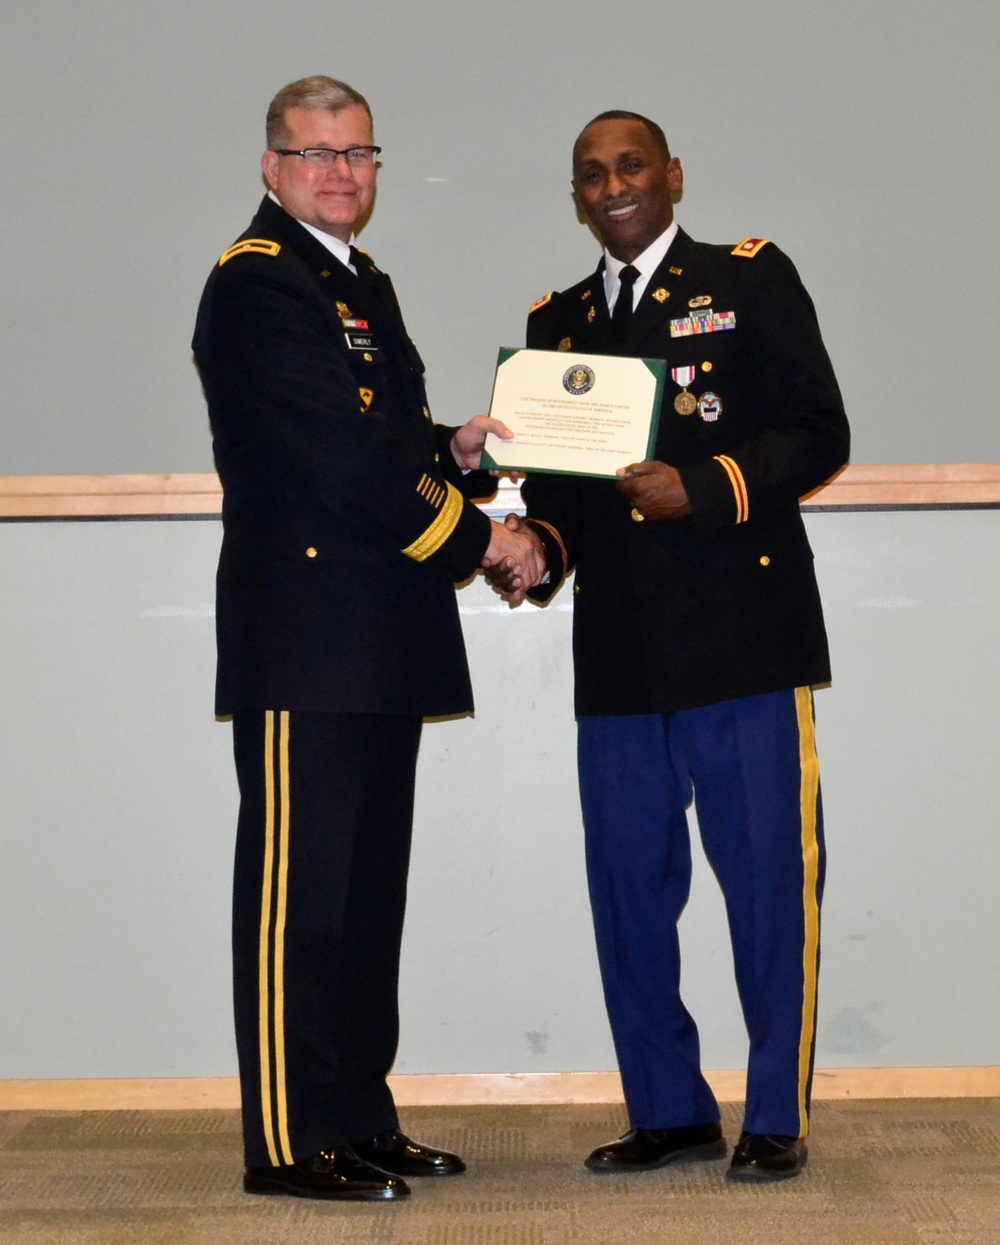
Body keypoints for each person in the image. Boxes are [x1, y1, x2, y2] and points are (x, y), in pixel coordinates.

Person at [192, 75, 536, 1202]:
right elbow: (332, 465)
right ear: (272, 169)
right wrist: (477, 538)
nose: (341, 172)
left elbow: (380, 438)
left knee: (363, 896)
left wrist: (457, 449)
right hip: (309, 639)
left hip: (375, 633)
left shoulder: (353, 281)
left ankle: (357, 1116)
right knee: (302, 899)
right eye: (316, 153)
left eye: (359, 153)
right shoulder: (257, 286)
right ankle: (290, 1142)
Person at [488, 110, 849, 1182]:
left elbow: (816, 429)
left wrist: (700, 486)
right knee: (628, 893)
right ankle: (667, 1108)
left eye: (630, 166)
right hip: (620, 654)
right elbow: (558, 497)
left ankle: (774, 1113)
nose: (613, 187)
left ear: (672, 175)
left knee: (768, 888)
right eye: (591, 175)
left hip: (742, 640)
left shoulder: (746, 279)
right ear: (576, 195)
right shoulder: (553, 324)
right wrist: (536, 549)